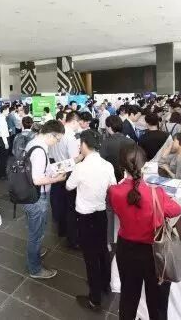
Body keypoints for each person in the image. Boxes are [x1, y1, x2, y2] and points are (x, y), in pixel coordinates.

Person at [109, 144, 181, 320]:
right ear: (144, 165)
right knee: (157, 302)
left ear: (121, 166)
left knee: (128, 296)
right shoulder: (157, 193)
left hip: (126, 249)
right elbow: (176, 210)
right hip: (154, 251)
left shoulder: (114, 192)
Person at [66, 130, 116, 311]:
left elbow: (69, 186)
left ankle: (95, 299)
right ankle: (105, 284)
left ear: (84, 145)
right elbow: (113, 187)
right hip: (101, 213)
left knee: (90, 257)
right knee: (102, 250)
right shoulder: (107, 165)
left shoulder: (81, 167)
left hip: (85, 216)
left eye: (80, 144)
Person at [23, 120, 68, 279]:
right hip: (37, 197)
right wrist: (57, 179)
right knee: (36, 234)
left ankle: (35, 251)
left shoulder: (34, 142)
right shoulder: (40, 150)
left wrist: (53, 170)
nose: (57, 142)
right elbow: (37, 179)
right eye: (58, 139)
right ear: (51, 135)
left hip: (29, 194)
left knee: (34, 230)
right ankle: (35, 269)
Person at [48, 111, 82, 247]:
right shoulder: (71, 137)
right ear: (74, 121)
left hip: (56, 170)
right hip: (67, 173)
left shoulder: (57, 133)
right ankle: (72, 239)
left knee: (59, 203)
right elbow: (74, 159)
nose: (79, 126)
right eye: (78, 123)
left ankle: (61, 230)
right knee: (70, 206)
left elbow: (51, 154)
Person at [100, 115, 135, 181]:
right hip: (128, 176)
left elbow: (101, 161)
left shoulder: (106, 143)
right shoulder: (131, 141)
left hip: (112, 176)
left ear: (109, 127)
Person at [0, 106, 11, 180]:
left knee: (1, 157)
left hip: (1, 139)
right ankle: (2, 174)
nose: (8, 112)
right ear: (4, 110)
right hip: (3, 140)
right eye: (7, 111)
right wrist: (6, 143)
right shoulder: (1, 119)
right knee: (4, 158)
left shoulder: (0, 118)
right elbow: (3, 133)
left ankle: (0, 173)